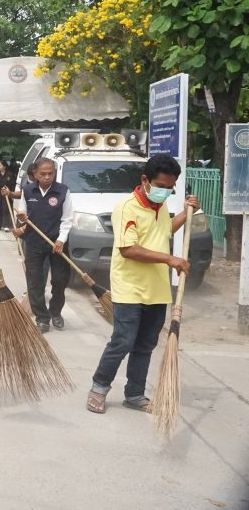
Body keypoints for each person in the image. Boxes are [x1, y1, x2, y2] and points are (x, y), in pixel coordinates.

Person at [87, 155, 200, 415]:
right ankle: (99, 388)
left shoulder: (160, 206)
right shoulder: (127, 207)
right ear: (145, 180)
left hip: (157, 288)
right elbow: (128, 249)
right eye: (160, 186)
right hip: (130, 286)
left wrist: (186, 213)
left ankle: (135, 394)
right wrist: (170, 259)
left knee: (146, 344)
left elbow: (164, 232)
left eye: (170, 187)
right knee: (123, 341)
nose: (165, 191)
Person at [14, 158, 74, 333]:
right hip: (34, 242)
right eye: (43, 174)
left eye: (50, 173)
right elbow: (23, 214)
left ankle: (55, 312)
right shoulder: (28, 191)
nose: (47, 177)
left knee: (60, 280)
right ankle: (42, 317)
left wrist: (61, 240)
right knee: (35, 282)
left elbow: (67, 219)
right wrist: (21, 219)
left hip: (57, 243)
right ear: (35, 174)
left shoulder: (63, 191)